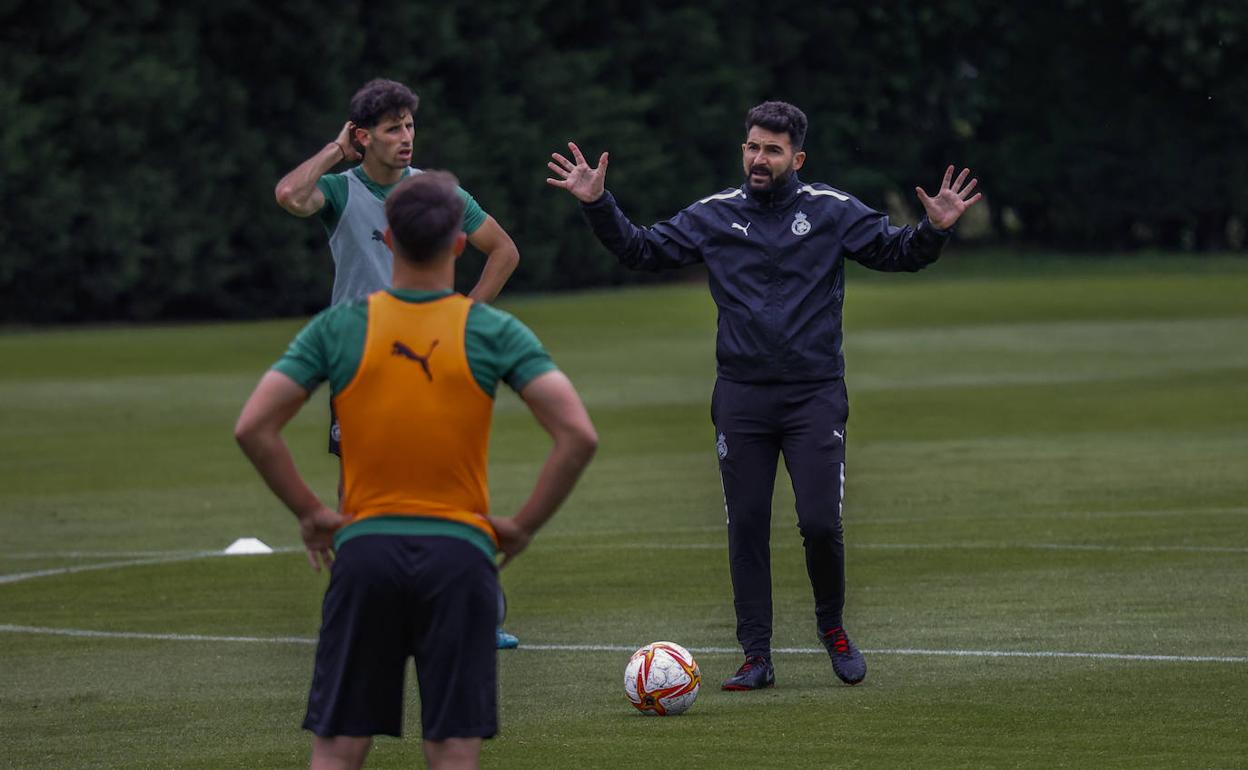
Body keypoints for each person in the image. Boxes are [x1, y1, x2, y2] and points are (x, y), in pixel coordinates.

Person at [546, 101, 981, 691]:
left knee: (820, 523)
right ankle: (756, 655)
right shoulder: (715, 215)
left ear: (796, 158)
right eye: (752, 146)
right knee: (746, 525)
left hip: (814, 397)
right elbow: (642, 251)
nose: (758, 157)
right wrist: (598, 204)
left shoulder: (830, 211)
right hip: (742, 399)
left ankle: (833, 629)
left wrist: (934, 230)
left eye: (772, 149)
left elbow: (896, 252)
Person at [236, 171, 597, 770]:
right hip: (460, 559)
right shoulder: (491, 330)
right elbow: (577, 435)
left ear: (388, 241)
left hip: (365, 556)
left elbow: (253, 427)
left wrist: (311, 513)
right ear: (459, 244)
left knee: (339, 747)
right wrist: (524, 525)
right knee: (453, 751)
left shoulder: (340, 327)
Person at [275, 77, 525, 649]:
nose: (407, 137)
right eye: (392, 129)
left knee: (450, 485)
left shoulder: (435, 194)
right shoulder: (338, 191)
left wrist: (463, 316)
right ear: (364, 136)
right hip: (361, 365)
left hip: (435, 362)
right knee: (358, 493)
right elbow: (290, 195)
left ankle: (476, 613)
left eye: (410, 125)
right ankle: (360, 615)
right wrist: (336, 151)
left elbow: (504, 251)